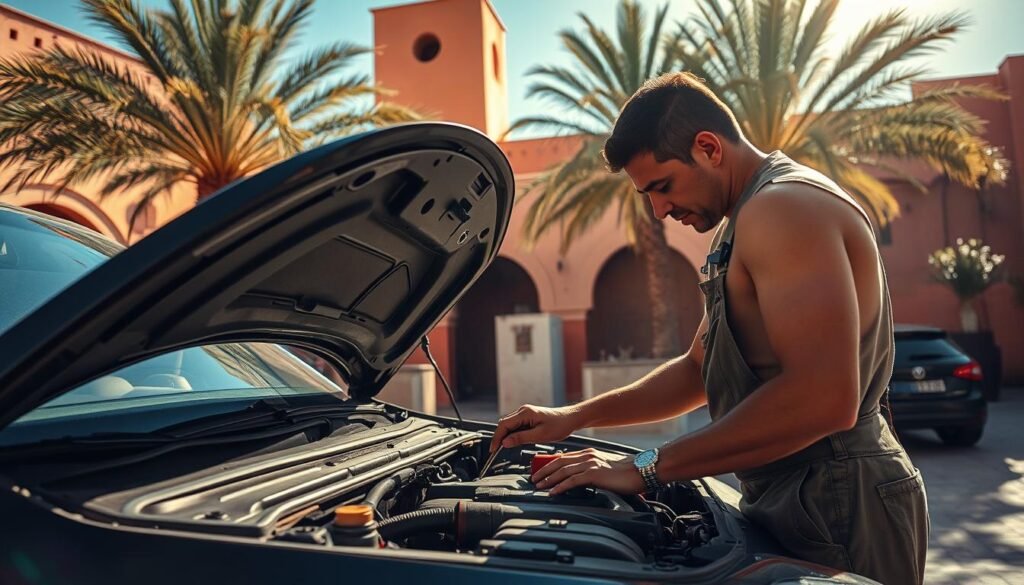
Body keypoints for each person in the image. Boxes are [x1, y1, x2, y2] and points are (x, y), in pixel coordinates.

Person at [489, 72, 929, 584]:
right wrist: (572, 416)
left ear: (708, 148)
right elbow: (698, 369)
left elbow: (825, 398)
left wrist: (645, 467)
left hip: (840, 498)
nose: (658, 210)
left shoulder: (782, 208)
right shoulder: (744, 220)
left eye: (662, 186)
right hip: (806, 495)